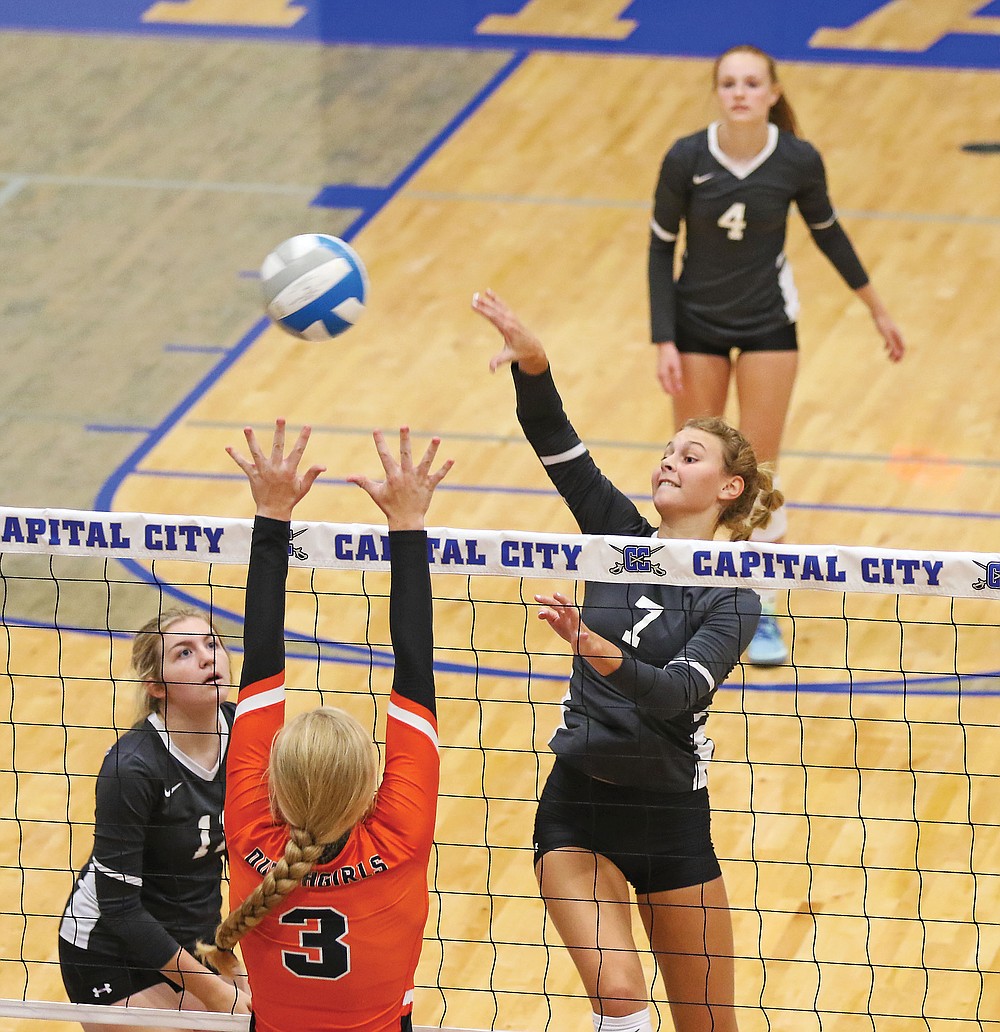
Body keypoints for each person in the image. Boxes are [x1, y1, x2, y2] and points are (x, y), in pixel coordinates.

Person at [473, 288, 782, 1032]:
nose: (669, 462)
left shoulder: (733, 600)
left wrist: (595, 649)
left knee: (711, 1026)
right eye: (668, 451)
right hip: (578, 807)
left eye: (691, 455)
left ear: (728, 488)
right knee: (619, 1000)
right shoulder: (615, 537)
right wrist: (534, 364)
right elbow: (555, 442)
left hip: (673, 822)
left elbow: (675, 694)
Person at [648, 43, 905, 665]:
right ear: (719, 92)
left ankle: (757, 607)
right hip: (697, 325)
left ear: (771, 92)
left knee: (754, 474)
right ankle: (680, 601)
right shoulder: (686, 158)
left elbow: (829, 234)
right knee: (693, 472)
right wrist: (664, 337)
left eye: (751, 83)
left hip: (768, 325)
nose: (739, 92)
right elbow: (660, 248)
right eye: (729, 83)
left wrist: (877, 307)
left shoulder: (796, 160)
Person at [197, 419, 452, 1032]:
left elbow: (260, 662)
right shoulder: (395, 835)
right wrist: (407, 527)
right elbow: (414, 665)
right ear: (370, 784)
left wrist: (271, 512)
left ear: (275, 778)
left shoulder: (253, 831)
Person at [58, 608, 251, 1030]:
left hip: (193, 937)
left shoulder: (245, 729)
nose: (206, 658)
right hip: (110, 950)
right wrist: (217, 992)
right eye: (184, 652)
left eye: (212, 643)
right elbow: (120, 908)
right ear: (156, 686)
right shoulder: (132, 768)